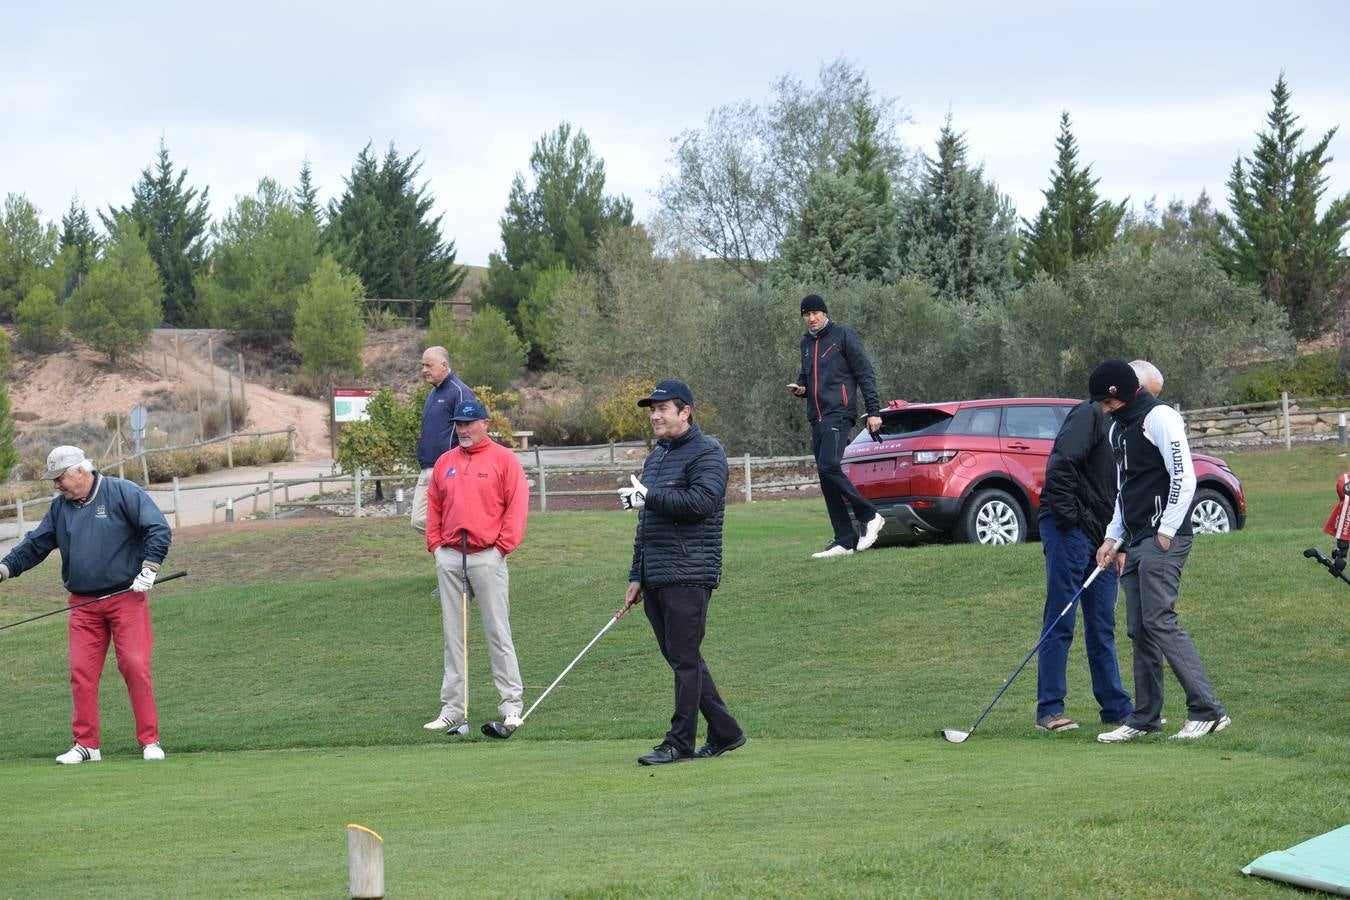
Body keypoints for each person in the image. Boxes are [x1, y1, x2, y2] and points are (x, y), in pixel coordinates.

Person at [0, 446, 171, 764]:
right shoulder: (60, 508)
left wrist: (149, 568)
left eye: (59, 478)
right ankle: (87, 745)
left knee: (134, 666)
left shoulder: (122, 492)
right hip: (82, 603)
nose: (56, 486)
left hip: (126, 596)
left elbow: (157, 529)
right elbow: (36, 544)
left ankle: (150, 740)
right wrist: (5, 568)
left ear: (80, 471)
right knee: (81, 673)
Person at [1090, 360, 1231, 742]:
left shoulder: (1160, 417)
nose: (1103, 408)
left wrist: (1166, 531)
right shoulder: (1118, 428)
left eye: (1106, 401)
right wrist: (1111, 537)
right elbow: (1125, 489)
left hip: (1162, 538)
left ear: (1122, 393)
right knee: (1139, 628)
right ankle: (1145, 718)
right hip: (1135, 540)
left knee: (1159, 620)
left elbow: (1184, 475)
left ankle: (1208, 711)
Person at [619, 380, 745, 766]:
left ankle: (679, 742)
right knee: (681, 657)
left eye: (663, 409)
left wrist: (649, 496)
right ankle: (725, 732)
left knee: (685, 659)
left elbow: (700, 502)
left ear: (685, 411)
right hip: (656, 573)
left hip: (690, 571)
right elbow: (647, 523)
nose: (655, 415)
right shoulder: (655, 459)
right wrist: (636, 575)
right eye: (652, 410)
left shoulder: (709, 452)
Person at [422, 400, 527, 735]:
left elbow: (516, 508)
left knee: (498, 632)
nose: (463, 430)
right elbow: (434, 507)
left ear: (485, 423)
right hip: (450, 556)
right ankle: (453, 709)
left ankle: (511, 706)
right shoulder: (445, 462)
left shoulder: (504, 460)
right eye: (458, 424)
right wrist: (436, 547)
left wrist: (501, 550)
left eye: (469, 424)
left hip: (487, 555)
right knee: (454, 636)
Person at [1034, 394, 1133, 732]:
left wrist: (1120, 543)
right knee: (1061, 616)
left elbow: (1120, 489)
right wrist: (1070, 520)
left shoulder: (1125, 427)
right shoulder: (1088, 416)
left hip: (1103, 537)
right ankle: (1049, 709)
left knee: (1102, 622)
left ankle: (1116, 707)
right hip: (1070, 531)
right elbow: (1061, 467)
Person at [788, 293, 886, 559]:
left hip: (839, 412)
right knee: (825, 476)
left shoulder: (843, 336)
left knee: (829, 466)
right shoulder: (805, 344)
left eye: (815, 313)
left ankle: (870, 515)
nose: (811, 318)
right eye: (806, 314)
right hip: (816, 417)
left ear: (824, 312)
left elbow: (865, 373)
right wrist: (801, 388)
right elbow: (806, 376)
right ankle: (843, 540)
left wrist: (874, 411)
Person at [411, 346, 476, 533]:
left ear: (444, 365)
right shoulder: (432, 394)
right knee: (418, 520)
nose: (424, 370)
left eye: (428, 365)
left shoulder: (460, 392)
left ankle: (462, 549)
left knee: (451, 518)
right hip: (427, 469)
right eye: (423, 365)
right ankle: (454, 545)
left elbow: (471, 433)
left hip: (450, 470)